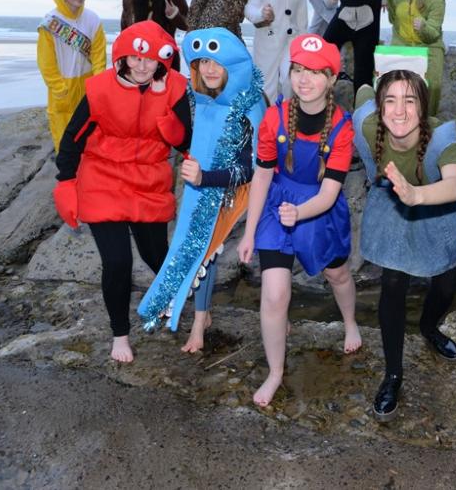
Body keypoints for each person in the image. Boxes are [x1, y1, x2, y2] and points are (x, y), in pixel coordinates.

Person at [53, 20, 192, 363]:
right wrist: (65, 181)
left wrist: (171, 127)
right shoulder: (100, 89)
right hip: (103, 178)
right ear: (123, 58)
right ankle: (120, 334)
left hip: (149, 180)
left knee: (157, 257)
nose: (143, 67)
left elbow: (188, 140)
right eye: (135, 58)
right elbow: (73, 138)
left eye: (151, 60)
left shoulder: (174, 87)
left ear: (164, 59)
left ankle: (171, 304)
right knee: (118, 262)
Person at [239, 34, 361, 407]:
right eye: (298, 70)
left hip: (318, 208)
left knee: (337, 274)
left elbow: (328, 194)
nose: (304, 79)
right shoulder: (274, 117)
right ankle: (276, 371)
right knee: (275, 294)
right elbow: (261, 175)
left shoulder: (342, 127)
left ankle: (351, 321)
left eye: (315, 72)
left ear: (331, 79)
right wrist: (248, 232)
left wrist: (301, 213)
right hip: (278, 203)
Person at [136, 27, 266, 352]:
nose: (208, 69)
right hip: (202, 183)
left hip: (239, 188)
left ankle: (201, 323)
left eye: (216, 62)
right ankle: (201, 318)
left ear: (231, 66)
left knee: (206, 248)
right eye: (202, 61)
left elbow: (251, 169)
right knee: (197, 248)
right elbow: (185, 138)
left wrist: (205, 178)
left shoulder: (248, 105)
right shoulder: (199, 99)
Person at [352, 70, 456, 421]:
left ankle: (429, 326)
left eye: (410, 100)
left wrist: (417, 194)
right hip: (393, 201)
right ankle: (393, 375)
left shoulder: (442, 138)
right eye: (390, 99)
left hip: (438, 201)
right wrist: (369, 78)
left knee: (447, 280)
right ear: (379, 106)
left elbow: (455, 186)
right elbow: (360, 90)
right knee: (393, 282)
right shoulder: (366, 122)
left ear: (424, 107)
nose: (399, 111)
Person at [37, 0, 107, 151]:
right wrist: (59, 88)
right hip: (63, 88)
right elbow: (46, 62)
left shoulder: (92, 19)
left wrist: (98, 82)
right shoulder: (50, 22)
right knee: (63, 137)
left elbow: (99, 54)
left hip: (88, 85)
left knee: (89, 135)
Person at [386, 0, 446, 113]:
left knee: (431, 85)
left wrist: (424, 27)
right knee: (390, 83)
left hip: (429, 46)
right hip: (402, 42)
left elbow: (434, 32)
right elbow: (391, 6)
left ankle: (428, 122)